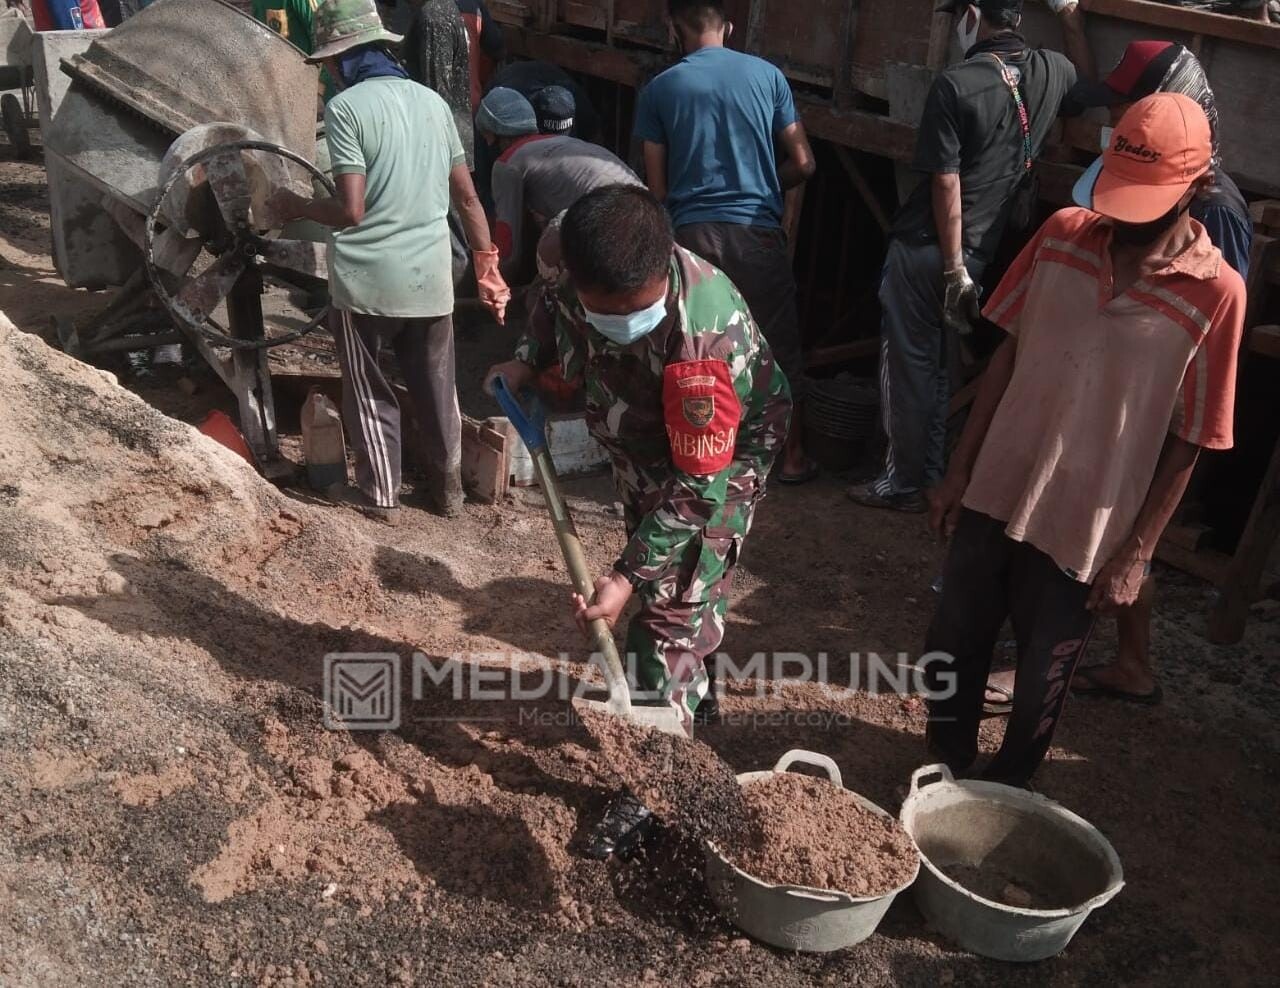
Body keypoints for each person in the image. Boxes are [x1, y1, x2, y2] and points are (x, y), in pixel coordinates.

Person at [923, 94, 1246, 787]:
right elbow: (1007, 353)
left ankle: (1001, 795)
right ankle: (941, 769)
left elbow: (1193, 436)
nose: (1121, 218)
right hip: (998, 485)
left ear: (1196, 188)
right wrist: (960, 469)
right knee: (952, 643)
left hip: (1087, 526)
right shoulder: (1064, 231)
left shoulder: (1218, 293)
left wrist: (1138, 554)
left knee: (1040, 685)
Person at [484, 185, 791, 855]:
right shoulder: (576, 261)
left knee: (666, 604)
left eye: (636, 311)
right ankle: (697, 683)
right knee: (667, 573)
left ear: (662, 275)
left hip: (722, 461)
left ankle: (653, 785)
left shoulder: (703, 341)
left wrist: (624, 577)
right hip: (644, 437)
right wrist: (528, 361)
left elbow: (695, 489)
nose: (622, 321)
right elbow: (549, 307)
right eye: (605, 312)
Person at [983, 39, 1255, 712]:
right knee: (1116, 537)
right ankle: (1132, 663)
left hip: (1151, 405)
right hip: (1125, 389)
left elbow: (1203, 328)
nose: (1125, 112)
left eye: (1137, 101)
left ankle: (1047, 667)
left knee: (1104, 536)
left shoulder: (1212, 212)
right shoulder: (1129, 184)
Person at [268, 0, 510, 521]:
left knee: (369, 389)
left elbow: (351, 210)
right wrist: (487, 264)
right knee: (437, 387)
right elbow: (467, 200)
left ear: (343, 59)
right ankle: (449, 494)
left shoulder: (347, 109)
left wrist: (296, 206)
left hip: (367, 286)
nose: (331, 72)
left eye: (331, 63)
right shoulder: (432, 104)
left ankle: (380, 495)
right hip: (432, 279)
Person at [847, 0, 1083, 514]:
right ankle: (928, 473)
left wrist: (951, 264)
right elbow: (1088, 90)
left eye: (957, 16)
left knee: (908, 361)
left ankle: (902, 481)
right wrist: (1071, 20)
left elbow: (945, 180)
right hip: (980, 250)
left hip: (928, 249)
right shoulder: (1053, 70)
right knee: (935, 364)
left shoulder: (956, 83)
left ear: (973, 16)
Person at [634, 0, 817, 484]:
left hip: (692, 237)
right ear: (729, 27)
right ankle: (793, 456)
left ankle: (695, 454)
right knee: (777, 344)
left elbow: (657, 190)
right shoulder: (769, 77)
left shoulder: (660, 90)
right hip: (756, 232)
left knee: (693, 345)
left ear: (675, 28)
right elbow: (804, 162)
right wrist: (760, 190)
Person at [476, 87, 641, 282]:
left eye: (486, 136)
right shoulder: (567, 143)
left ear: (495, 134)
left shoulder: (508, 163)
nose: (487, 145)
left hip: (605, 220)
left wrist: (495, 286)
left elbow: (508, 242)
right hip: (646, 212)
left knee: (543, 294)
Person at [402, 0, 473, 167]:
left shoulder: (433, 17)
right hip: (448, 140)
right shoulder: (435, 10)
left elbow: (436, 91)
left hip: (440, 147)